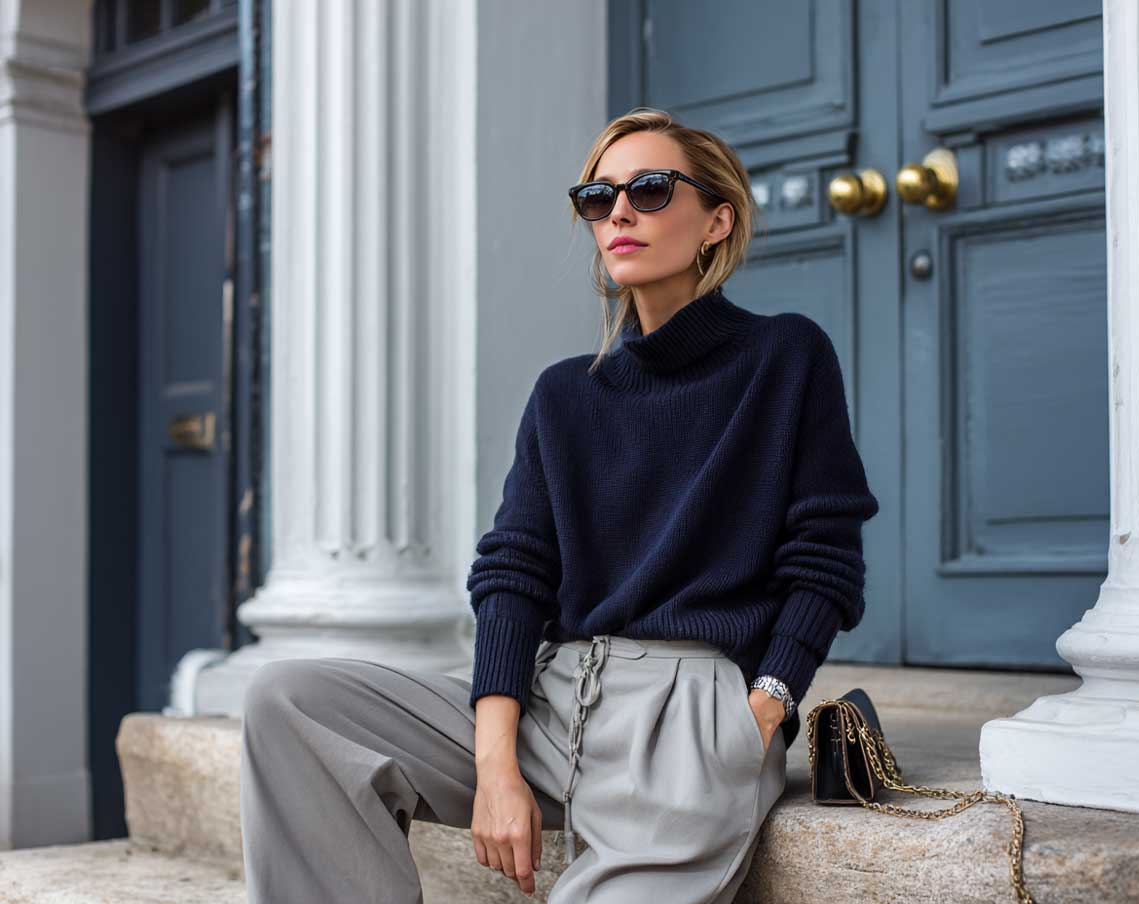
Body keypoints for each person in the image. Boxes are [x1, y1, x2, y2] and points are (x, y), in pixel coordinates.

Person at [239, 106, 880, 903]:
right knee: (290, 702)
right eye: (596, 196)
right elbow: (515, 575)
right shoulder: (564, 395)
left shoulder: (784, 357)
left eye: (648, 189)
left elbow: (826, 555)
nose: (617, 211)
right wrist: (495, 765)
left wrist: (762, 708)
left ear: (718, 219)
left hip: (687, 717)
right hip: (551, 699)